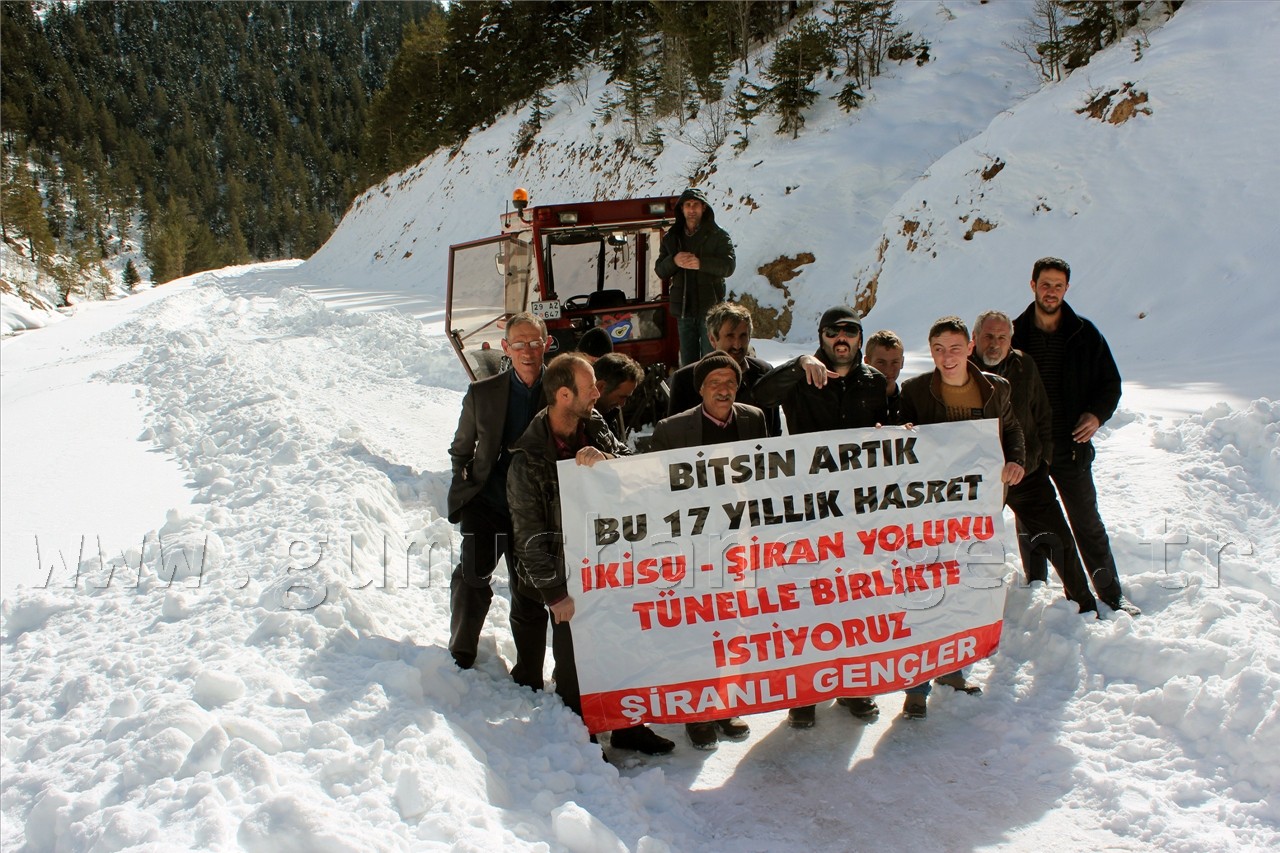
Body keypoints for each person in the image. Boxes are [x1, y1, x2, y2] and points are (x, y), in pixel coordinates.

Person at [507, 353, 676, 756]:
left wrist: (609, 463)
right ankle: (580, 739)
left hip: (609, 564)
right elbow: (528, 537)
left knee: (624, 648)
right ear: (564, 395)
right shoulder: (527, 459)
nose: (599, 393)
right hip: (565, 578)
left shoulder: (594, 425)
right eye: (590, 388)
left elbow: (633, 471)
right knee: (574, 667)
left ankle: (628, 727)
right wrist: (555, 595)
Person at [755, 306, 888, 728]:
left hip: (860, 510)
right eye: (834, 332)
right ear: (822, 336)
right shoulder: (801, 376)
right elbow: (759, 395)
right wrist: (797, 365)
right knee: (811, 600)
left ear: (861, 337)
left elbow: (896, 429)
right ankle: (807, 693)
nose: (842, 338)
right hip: (810, 508)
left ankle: (854, 685)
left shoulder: (876, 382)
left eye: (850, 331)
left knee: (858, 598)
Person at [898, 316, 1027, 720]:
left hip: (978, 511)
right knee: (927, 593)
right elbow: (897, 446)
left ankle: (952, 670)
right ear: (930, 351)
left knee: (965, 590)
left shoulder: (996, 387)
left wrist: (1016, 462)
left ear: (970, 347)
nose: (947, 357)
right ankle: (916, 687)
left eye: (955, 348)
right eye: (939, 349)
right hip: (931, 513)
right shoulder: (915, 390)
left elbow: (1012, 430)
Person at [650, 352, 768, 750]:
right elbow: (655, 489)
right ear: (700, 389)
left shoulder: (754, 419)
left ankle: (724, 703)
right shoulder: (672, 429)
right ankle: (696, 712)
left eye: (730, 382)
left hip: (737, 542)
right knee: (696, 627)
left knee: (732, 622)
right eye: (714, 382)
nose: (723, 389)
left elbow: (766, 474)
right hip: (692, 544)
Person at [1012, 257, 1140, 617]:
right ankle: (1034, 581)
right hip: (1029, 447)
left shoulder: (1085, 334)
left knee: (1086, 520)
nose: (1050, 291)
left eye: (1058, 285)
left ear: (1066, 289)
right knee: (1031, 517)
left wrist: (1097, 415)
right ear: (1032, 284)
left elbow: (1109, 383)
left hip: (1071, 445)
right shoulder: (1014, 334)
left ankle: (1110, 592)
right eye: (1045, 283)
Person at [446, 313, 551, 689]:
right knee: (472, 577)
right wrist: (465, 479)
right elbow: (461, 448)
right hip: (488, 504)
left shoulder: (560, 391)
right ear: (506, 349)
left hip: (535, 514)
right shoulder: (482, 393)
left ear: (547, 344)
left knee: (530, 592)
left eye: (534, 343)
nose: (527, 351)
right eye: (519, 344)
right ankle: (461, 651)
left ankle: (529, 674)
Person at [971, 310, 1097, 614]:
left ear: (1010, 339)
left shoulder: (1025, 365)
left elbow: (1042, 414)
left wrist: (1040, 459)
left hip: (1025, 473)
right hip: (980, 480)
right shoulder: (962, 369)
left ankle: (1083, 604)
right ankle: (963, 613)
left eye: (1002, 337)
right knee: (968, 546)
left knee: (1058, 537)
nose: (994, 343)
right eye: (988, 336)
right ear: (975, 338)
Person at [666, 301, 782, 435]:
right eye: (730, 336)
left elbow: (774, 433)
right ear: (712, 339)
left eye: (743, 336)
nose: (737, 345)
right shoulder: (685, 380)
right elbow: (674, 436)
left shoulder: (764, 373)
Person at [655, 188, 736, 367]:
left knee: (710, 360)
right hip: (684, 310)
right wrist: (674, 260)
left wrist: (701, 264)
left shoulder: (719, 235)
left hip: (711, 310)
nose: (692, 209)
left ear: (704, 208)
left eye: (696, 205)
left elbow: (729, 266)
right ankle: (690, 394)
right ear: (682, 209)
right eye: (688, 205)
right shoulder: (671, 238)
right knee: (688, 363)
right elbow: (660, 270)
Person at [592, 352, 644, 441]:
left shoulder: (610, 418)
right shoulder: (577, 424)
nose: (622, 404)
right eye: (621, 397)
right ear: (600, 387)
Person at [865, 329, 906, 424]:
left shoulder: (909, 404)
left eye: (895, 362)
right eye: (881, 362)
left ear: (902, 362)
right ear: (867, 362)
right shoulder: (852, 402)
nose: (888, 369)